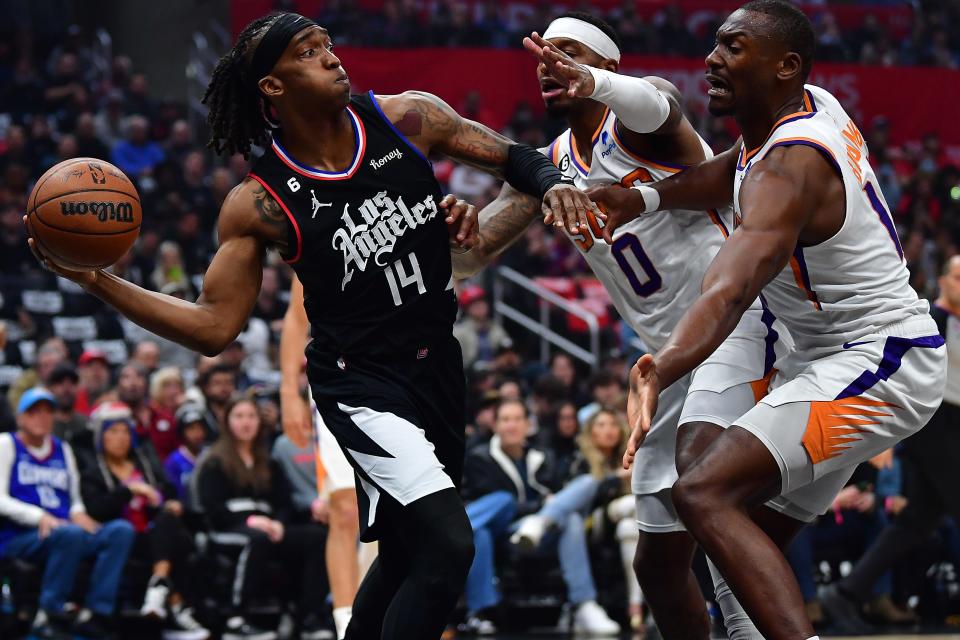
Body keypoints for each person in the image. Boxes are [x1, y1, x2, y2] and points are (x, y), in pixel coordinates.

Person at [27, 12, 596, 639]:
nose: (331, 57)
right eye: (308, 51)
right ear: (272, 86)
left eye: (327, 44)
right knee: (447, 548)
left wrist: (548, 186)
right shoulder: (260, 202)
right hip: (362, 386)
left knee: (407, 552)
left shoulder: (407, 117)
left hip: (438, 366)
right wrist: (101, 282)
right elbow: (216, 327)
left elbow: (514, 157)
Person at [587, 2, 946, 639]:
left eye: (733, 48)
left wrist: (662, 367)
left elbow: (728, 289)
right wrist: (642, 195)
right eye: (716, 44)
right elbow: (731, 170)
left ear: (785, 66)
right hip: (801, 344)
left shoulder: (793, 167)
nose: (712, 59)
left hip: (879, 359)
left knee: (705, 495)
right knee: (711, 497)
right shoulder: (803, 109)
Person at [453, 11, 786, 638]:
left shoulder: (641, 119)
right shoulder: (548, 166)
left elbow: (662, 101)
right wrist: (453, 233)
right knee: (658, 565)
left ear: (604, 66)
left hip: (736, 325)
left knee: (708, 491)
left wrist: (594, 82)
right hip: (669, 360)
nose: (551, 65)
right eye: (544, 56)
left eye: (569, 54)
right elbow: (469, 258)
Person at [818, 254, 960, 631]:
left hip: (951, 427)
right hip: (932, 427)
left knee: (917, 521)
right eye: (958, 277)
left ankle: (846, 593)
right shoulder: (933, 320)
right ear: (942, 281)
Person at [460, 399, 619, 635]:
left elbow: (558, 495)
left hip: (534, 535)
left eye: (517, 419)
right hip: (501, 532)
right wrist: (537, 506)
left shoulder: (543, 457)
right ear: (496, 426)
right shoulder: (479, 458)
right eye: (505, 420)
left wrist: (542, 511)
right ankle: (482, 610)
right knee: (500, 505)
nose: (511, 426)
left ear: (527, 425)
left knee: (575, 512)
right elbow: (490, 505)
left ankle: (584, 605)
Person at [0, 387, 135, 639]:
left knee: (119, 531)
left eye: (47, 412)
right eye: (34, 412)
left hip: (64, 530)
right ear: (20, 418)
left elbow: (73, 500)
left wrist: (78, 512)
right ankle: (48, 612)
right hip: (21, 536)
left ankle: (96, 611)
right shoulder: (6, 444)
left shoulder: (62, 449)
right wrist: (38, 516)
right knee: (69, 534)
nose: (42, 417)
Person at [195, 397, 328, 640]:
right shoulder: (214, 460)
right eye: (239, 416)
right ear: (227, 422)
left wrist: (278, 522)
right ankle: (237, 619)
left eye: (251, 416)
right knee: (256, 540)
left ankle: (308, 616)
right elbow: (212, 509)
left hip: (268, 527)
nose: (246, 423)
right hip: (229, 528)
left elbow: (284, 502)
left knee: (317, 538)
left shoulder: (268, 460)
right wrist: (251, 520)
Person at [280, 273, 364, 640]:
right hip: (338, 375)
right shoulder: (320, 219)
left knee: (400, 513)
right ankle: (348, 626)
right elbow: (298, 316)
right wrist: (288, 392)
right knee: (345, 509)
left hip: (404, 370)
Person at [80, 402, 209, 640]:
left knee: (171, 522)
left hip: (152, 534)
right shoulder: (92, 471)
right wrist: (129, 491)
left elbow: (167, 492)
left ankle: (159, 590)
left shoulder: (145, 464)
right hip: (120, 536)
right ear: (101, 437)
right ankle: (174, 607)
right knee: (175, 538)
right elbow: (96, 510)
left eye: (125, 431)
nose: (121, 437)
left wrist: (166, 502)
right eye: (113, 431)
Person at [569, 409, 641, 630]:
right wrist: (615, 478)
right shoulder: (580, 460)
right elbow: (583, 499)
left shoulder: (629, 455)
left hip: (624, 523)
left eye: (612, 424)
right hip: (593, 522)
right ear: (590, 432)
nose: (608, 430)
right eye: (600, 425)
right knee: (633, 504)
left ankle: (635, 605)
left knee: (629, 528)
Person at [164, 403, 212, 502]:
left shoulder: (212, 456)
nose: (196, 433)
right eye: (191, 429)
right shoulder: (173, 461)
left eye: (199, 428)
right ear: (182, 432)